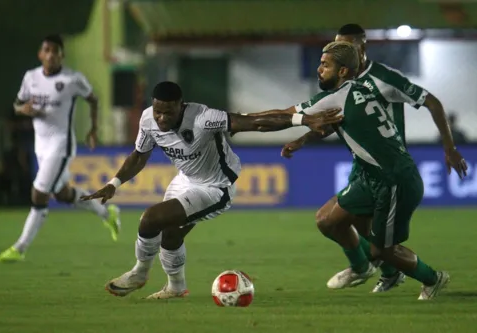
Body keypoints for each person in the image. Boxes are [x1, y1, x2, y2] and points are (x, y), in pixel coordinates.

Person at [80, 81, 342, 299]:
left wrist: (303, 119)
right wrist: (113, 184)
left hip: (216, 187)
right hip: (185, 180)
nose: (161, 118)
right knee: (170, 236)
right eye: (158, 111)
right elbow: (139, 156)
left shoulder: (204, 119)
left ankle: (139, 273)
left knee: (151, 219)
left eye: (168, 113)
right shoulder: (148, 119)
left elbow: (255, 122)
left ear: (180, 106)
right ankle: (176, 287)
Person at [265, 41, 466, 300]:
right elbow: (332, 123)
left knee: (384, 250)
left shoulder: (345, 93)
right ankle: (362, 267)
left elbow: (283, 115)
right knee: (327, 220)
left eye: (325, 65)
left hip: (393, 180)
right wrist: (302, 140)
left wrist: (240, 120)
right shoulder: (361, 90)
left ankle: (432, 278)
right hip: (370, 176)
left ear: (343, 71)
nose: (319, 70)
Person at [0, 34, 121, 263]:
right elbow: (17, 104)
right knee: (61, 193)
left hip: (61, 145)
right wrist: (25, 110)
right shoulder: (30, 77)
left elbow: (93, 99)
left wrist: (93, 129)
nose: (51, 54)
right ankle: (106, 212)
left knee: (38, 193)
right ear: (40, 54)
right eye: (47, 50)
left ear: (62, 54)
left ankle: (19, 248)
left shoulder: (73, 79)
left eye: (55, 50)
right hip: (40, 145)